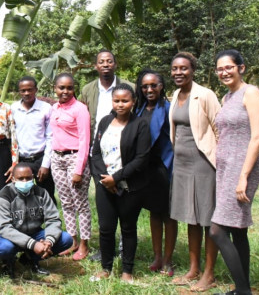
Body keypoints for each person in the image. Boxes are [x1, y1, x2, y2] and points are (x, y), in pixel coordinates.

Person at [209, 50, 259, 295]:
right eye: (220, 68)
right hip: (225, 169)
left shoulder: (250, 93)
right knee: (238, 231)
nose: (224, 72)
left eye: (228, 67)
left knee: (217, 231)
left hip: (241, 170)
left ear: (241, 68)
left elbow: (258, 137)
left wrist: (243, 176)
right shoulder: (226, 97)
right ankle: (243, 288)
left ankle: (243, 290)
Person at [169, 52, 221, 292]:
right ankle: (193, 268)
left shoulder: (205, 95)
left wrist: (222, 163)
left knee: (207, 218)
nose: (179, 73)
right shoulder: (175, 95)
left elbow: (220, 129)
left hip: (203, 164)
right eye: (175, 69)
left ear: (193, 71)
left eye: (184, 69)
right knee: (190, 217)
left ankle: (209, 273)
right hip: (181, 165)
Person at [90, 84, 150, 283]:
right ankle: (106, 268)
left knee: (128, 228)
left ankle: (127, 271)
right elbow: (95, 153)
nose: (121, 104)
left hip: (129, 187)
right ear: (112, 101)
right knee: (106, 228)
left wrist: (116, 178)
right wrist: (104, 178)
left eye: (125, 101)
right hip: (104, 185)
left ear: (133, 102)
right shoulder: (105, 121)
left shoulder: (140, 125)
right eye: (117, 100)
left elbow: (141, 158)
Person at [0, 162, 73, 278]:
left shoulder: (41, 193)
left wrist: (48, 241)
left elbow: (53, 219)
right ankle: (8, 263)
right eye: (21, 179)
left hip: (35, 233)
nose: (25, 182)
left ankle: (30, 259)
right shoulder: (4, 196)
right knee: (5, 248)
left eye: (28, 178)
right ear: (13, 179)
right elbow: (4, 227)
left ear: (33, 178)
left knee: (66, 239)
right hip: (12, 237)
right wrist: (33, 244)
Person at [134, 69, 177, 276]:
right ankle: (157, 256)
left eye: (153, 85)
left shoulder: (169, 108)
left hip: (165, 166)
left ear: (161, 86)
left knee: (168, 214)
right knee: (154, 212)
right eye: (145, 86)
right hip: (147, 169)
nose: (149, 89)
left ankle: (168, 260)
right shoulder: (140, 108)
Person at [49, 73, 92, 261]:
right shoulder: (54, 108)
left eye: (69, 88)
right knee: (65, 202)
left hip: (75, 158)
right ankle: (72, 240)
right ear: (55, 88)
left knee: (80, 203)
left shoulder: (80, 109)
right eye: (61, 87)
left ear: (74, 88)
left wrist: (79, 170)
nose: (65, 91)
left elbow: (85, 140)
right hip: (57, 159)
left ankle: (84, 244)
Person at [11, 76, 55, 204]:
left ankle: (50, 223)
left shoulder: (46, 108)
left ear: (35, 89)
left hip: (40, 159)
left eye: (30, 90)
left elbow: (50, 137)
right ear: (19, 91)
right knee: (22, 198)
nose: (26, 93)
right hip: (21, 160)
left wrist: (45, 165)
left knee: (46, 197)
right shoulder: (13, 109)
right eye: (23, 90)